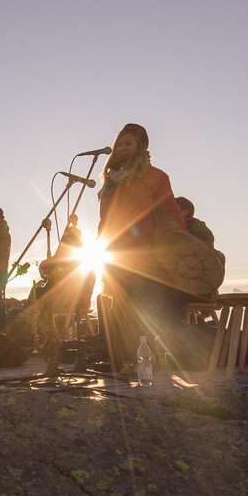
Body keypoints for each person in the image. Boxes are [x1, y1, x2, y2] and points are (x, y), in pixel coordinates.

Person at [97, 122, 189, 373]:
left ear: (141, 147)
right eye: (119, 143)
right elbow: (105, 219)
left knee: (142, 308)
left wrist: (176, 244)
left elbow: (171, 214)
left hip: (147, 253)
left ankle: (148, 359)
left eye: (128, 143)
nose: (122, 147)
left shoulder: (156, 177)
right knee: (121, 307)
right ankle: (123, 360)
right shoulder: (110, 181)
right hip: (117, 255)